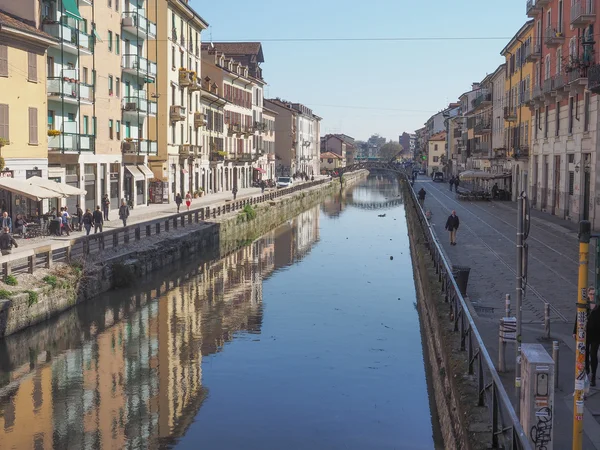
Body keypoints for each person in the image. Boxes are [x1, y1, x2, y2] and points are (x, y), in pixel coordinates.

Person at [574, 286, 600, 387]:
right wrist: (574, 331)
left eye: (593, 294)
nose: (592, 296)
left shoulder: (598, 305)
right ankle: (587, 372)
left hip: (597, 334)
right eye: (590, 294)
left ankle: (593, 375)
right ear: (588, 294)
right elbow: (579, 316)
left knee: (593, 355)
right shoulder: (585, 304)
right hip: (586, 333)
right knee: (585, 353)